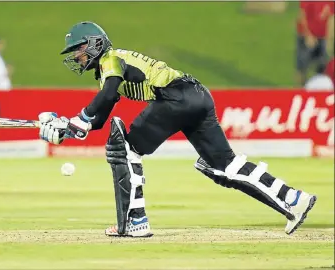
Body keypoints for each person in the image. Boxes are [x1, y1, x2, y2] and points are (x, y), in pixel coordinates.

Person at [38, 22, 317, 238]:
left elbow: (108, 95)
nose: (77, 56)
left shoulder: (110, 59)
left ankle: (136, 221)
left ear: (96, 44)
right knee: (224, 166)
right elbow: (99, 117)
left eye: (79, 49)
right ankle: (293, 198)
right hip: (197, 96)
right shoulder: (107, 72)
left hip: (174, 97)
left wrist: (81, 118)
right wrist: (67, 127)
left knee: (125, 148)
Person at [296, 1, 334, 86]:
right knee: (303, 66)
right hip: (307, 36)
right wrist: (308, 35)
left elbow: (330, 19)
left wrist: (329, 39)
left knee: (323, 65)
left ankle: (319, 90)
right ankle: (301, 90)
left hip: (322, 37)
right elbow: (302, 16)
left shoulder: (330, 2)